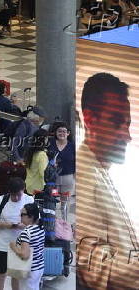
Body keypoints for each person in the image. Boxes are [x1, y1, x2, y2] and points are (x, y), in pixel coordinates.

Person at [76, 73, 139, 289]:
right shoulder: (86, 178)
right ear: (90, 119)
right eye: (116, 122)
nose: (127, 136)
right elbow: (95, 269)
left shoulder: (99, 170)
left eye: (128, 124)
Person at [0, 177, 34, 290]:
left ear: (24, 189)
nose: (17, 198)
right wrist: (7, 225)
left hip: (20, 246)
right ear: (9, 192)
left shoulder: (29, 201)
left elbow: (36, 222)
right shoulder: (1, 201)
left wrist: (25, 225)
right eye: (14, 195)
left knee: (16, 276)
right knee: (0, 275)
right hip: (3, 246)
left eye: (19, 194)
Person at [9, 203, 45, 290]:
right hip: (39, 267)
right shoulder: (40, 227)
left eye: (22, 214)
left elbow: (25, 255)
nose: (20, 216)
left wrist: (13, 247)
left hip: (28, 269)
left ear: (31, 216)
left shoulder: (26, 233)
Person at [48, 122, 75, 196]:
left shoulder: (73, 146)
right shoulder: (50, 143)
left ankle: (63, 208)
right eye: (59, 131)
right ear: (56, 133)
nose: (61, 133)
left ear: (68, 133)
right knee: (53, 197)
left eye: (64, 131)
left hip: (68, 178)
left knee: (65, 198)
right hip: (53, 179)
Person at [24, 129, 49, 195]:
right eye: (46, 138)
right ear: (43, 140)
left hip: (29, 184)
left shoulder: (30, 151)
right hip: (38, 187)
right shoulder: (41, 155)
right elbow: (43, 173)